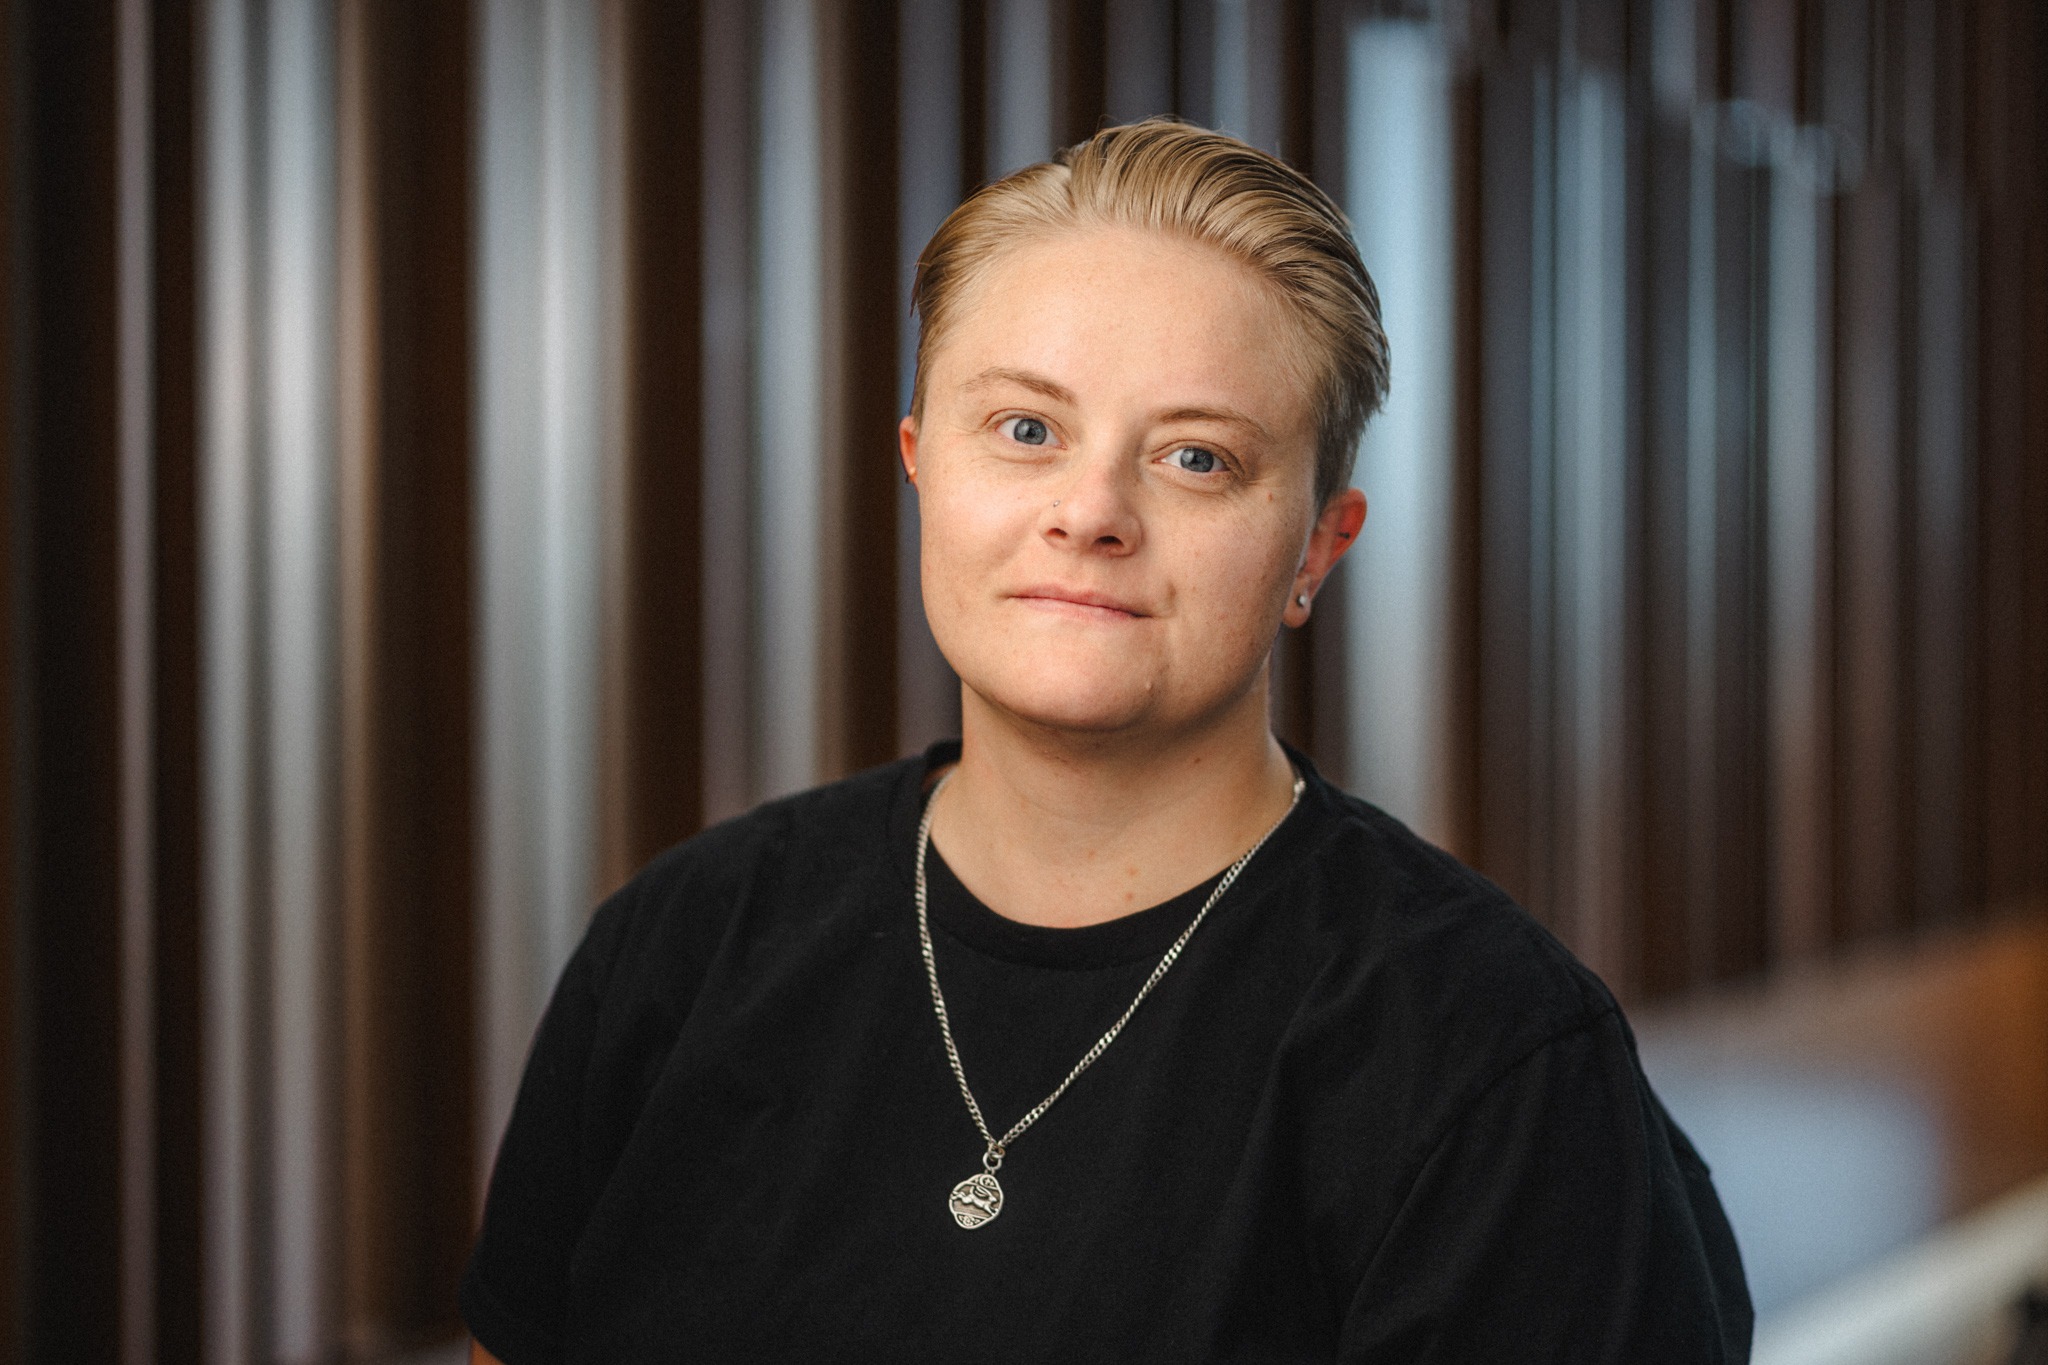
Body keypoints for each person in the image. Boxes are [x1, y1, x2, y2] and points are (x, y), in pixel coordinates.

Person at [461, 119, 1752, 1363]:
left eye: (1197, 457)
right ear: (921, 464)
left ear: (1316, 545)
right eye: (1025, 429)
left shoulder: (1494, 1060)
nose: (1091, 512)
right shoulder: (680, 947)